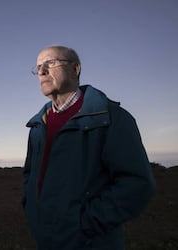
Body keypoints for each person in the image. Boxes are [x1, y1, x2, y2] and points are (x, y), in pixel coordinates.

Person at [22, 45, 155, 250]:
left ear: (75, 69)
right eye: (38, 67)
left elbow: (137, 184)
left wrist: (87, 223)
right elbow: (30, 173)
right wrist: (31, 207)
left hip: (90, 242)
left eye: (50, 63)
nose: (41, 71)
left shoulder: (111, 118)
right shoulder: (38, 126)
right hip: (46, 239)